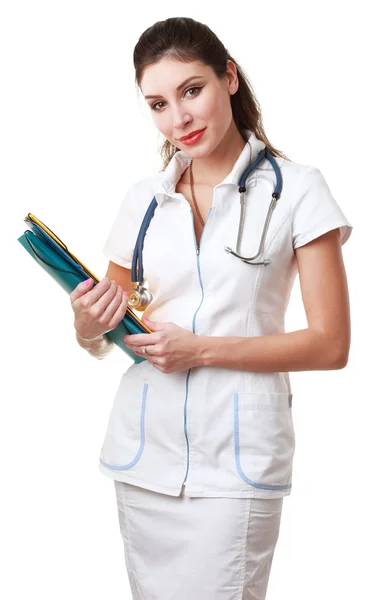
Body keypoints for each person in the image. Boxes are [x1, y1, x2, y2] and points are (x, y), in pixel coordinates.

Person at [70, 16, 353, 600]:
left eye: (191, 90)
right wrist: (87, 322)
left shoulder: (298, 190)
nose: (179, 118)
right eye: (158, 103)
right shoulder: (143, 200)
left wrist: (200, 350)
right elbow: (108, 337)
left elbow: (331, 344)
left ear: (229, 79)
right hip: (144, 458)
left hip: (237, 460)